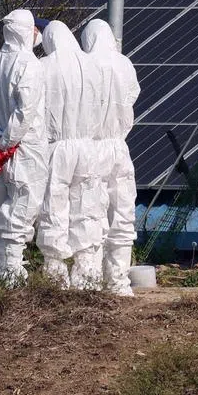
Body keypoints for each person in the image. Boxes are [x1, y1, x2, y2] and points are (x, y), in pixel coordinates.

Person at [0, 9, 49, 286]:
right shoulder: (28, 64)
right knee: (23, 207)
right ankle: (11, 275)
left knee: (0, 207)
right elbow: (25, 111)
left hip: (1, 149)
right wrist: (8, 142)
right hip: (25, 147)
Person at [36, 21, 109, 289]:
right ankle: (87, 274)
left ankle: (55, 273)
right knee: (86, 207)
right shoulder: (93, 65)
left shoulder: (44, 67)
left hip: (56, 146)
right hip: (89, 146)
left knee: (54, 207)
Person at [81, 18, 140, 296]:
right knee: (123, 211)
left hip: (92, 147)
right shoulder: (124, 63)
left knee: (92, 212)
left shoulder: (86, 64)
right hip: (119, 146)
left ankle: (90, 278)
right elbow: (132, 96)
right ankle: (118, 281)